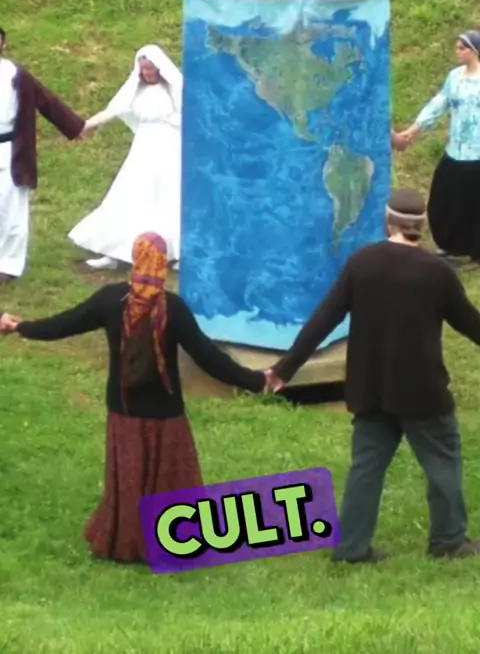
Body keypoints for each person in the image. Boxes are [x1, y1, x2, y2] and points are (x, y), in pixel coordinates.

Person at [2, 232, 267, 564]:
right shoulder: (173, 309)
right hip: (165, 415)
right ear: (162, 264)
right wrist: (257, 381)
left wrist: (20, 326)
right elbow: (208, 357)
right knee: (169, 481)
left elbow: (64, 324)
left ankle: (126, 542)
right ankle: (175, 540)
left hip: (124, 411)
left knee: (128, 480)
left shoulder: (110, 300)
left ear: (135, 260)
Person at [265, 188, 480, 564]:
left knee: (366, 469)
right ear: (421, 227)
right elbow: (471, 324)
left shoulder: (361, 263)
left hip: (370, 389)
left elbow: (323, 320)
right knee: (442, 464)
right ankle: (448, 541)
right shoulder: (437, 273)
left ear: (387, 221)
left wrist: (285, 369)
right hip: (422, 393)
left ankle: (351, 547)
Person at [68, 44, 183, 271]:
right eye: (144, 69)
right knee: (130, 195)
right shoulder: (135, 90)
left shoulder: (176, 89)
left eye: (151, 69)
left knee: (169, 198)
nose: (147, 73)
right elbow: (113, 110)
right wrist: (85, 125)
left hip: (170, 147)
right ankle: (115, 251)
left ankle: (178, 252)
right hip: (144, 148)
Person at [0, 27, 85, 282]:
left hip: (11, 150)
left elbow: (46, 100)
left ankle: (8, 265)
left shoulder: (15, 75)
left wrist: (74, 127)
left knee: (12, 209)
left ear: (3, 44)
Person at [394, 31, 480, 265]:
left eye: (462, 48)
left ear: (474, 51)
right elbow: (438, 105)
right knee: (443, 199)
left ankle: (474, 251)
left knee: (474, 203)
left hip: (478, 155)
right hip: (456, 152)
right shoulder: (455, 77)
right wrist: (412, 131)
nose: (457, 51)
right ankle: (450, 246)